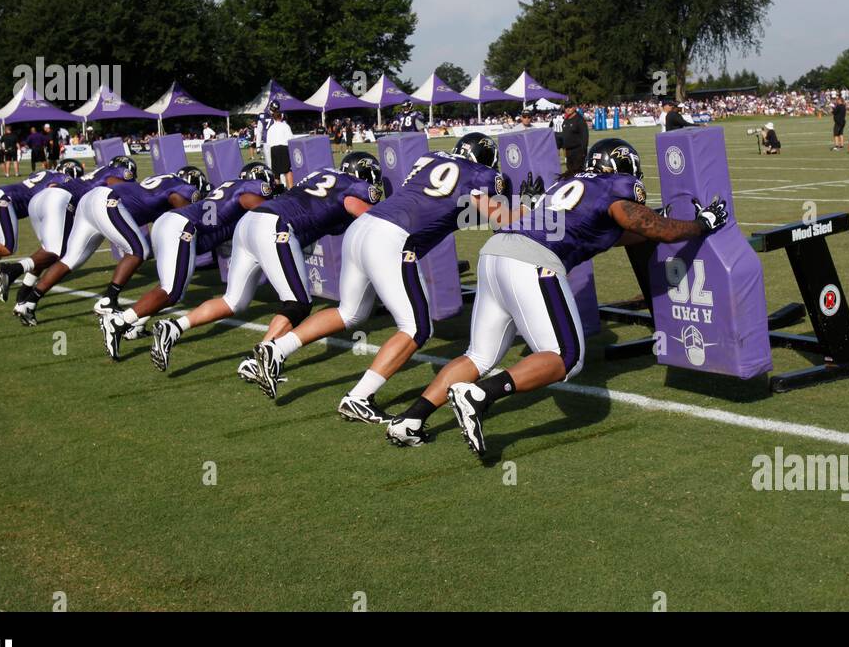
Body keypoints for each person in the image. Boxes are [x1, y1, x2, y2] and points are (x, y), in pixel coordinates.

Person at [385, 138, 729, 451]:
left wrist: (659, 223)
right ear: (624, 170)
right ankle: (479, 395)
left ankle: (411, 419)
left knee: (478, 355)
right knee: (566, 355)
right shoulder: (615, 188)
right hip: (531, 262)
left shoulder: (566, 185)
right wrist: (702, 224)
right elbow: (648, 226)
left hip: (494, 255)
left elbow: (616, 233)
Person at [248, 134, 513, 422]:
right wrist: (528, 211)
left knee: (349, 312)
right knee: (416, 328)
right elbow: (500, 220)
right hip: (393, 239)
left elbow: (445, 207)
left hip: (363, 228)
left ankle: (277, 348)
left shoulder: (431, 158)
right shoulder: (481, 175)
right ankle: (359, 397)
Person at [150, 154, 383, 374]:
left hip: (250, 222)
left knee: (233, 301)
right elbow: (361, 211)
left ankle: (174, 327)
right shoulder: (355, 187)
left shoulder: (321, 174)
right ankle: (260, 358)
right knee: (298, 303)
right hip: (275, 226)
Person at [100, 163, 280, 359]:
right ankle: (119, 322)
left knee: (170, 285)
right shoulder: (252, 190)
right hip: (181, 226)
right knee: (172, 291)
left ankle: (136, 323)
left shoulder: (231, 188)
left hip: (171, 223)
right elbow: (264, 214)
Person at [11, 167, 206, 325]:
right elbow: (179, 208)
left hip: (90, 200)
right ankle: (109, 300)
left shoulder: (162, 181)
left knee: (71, 259)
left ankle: (29, 302)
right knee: (139, 251)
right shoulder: (182, 189)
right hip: (107, 202)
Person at [0, 157, 138, 303]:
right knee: (58, 253)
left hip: (40, 199)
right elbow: (115, 186)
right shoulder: (118, 172)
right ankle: (13, 269)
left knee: (46, 250)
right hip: (59, 199)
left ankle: (24, 290)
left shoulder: (99, 172)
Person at [0, 161, 90, 295]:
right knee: (7, 247)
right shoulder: (62, 178)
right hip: (3, 201)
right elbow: (53, 189)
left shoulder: (44, 173)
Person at [263, 101, 294, 189]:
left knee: (276, 172)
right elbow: (291, 138)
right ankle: (291, 189)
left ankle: (278, 191)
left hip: (273, 149)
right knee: (288, 171)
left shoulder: (271, 128)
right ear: (281, 117)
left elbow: (268, 142)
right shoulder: (285, 126)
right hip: (283, 148)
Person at [557, 103, 589, 176]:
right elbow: (564, 135)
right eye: (566, 107)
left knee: (578, 173)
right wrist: (560, 147)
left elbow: (585, 137)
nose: (568, 109)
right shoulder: (566, 120)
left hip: (578, 151)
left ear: (574, 107)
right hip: (568, 152)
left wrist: (583, 152)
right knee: (570, 173)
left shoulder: (580, 120)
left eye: (570, 107)